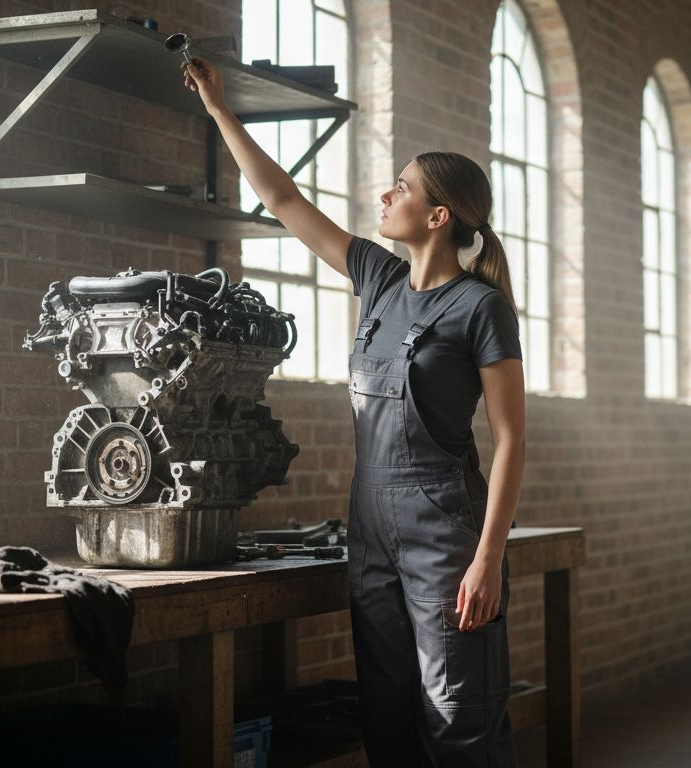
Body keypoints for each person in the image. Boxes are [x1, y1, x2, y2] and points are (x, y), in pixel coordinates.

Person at [182, 57, 526, 767]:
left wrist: (489, 558)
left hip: (444, 530)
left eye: (402, 187)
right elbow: (282, 199)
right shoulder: (379, 277)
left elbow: (511, 439)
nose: (386, 193)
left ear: (437, 216)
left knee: (457, 716)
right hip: (370, 527)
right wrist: (218, 109)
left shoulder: (480, 308)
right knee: (387, 712)